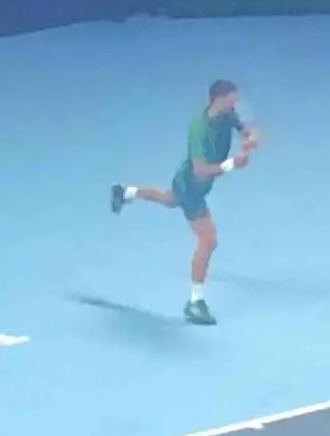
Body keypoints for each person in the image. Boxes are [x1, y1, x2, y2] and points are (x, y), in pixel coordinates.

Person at [110, 80, 260, 326]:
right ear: (218, 99)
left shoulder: (227, 115)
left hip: (189, 184)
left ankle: (125, 192)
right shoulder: (199, 129)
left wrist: (250, 139)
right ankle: (195, 303)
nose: (235, 104)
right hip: (191, 188)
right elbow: (200, 170)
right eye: (232, 99)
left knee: (168, 199)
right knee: (208, 241)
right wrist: (231, 164)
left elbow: (248, 128)